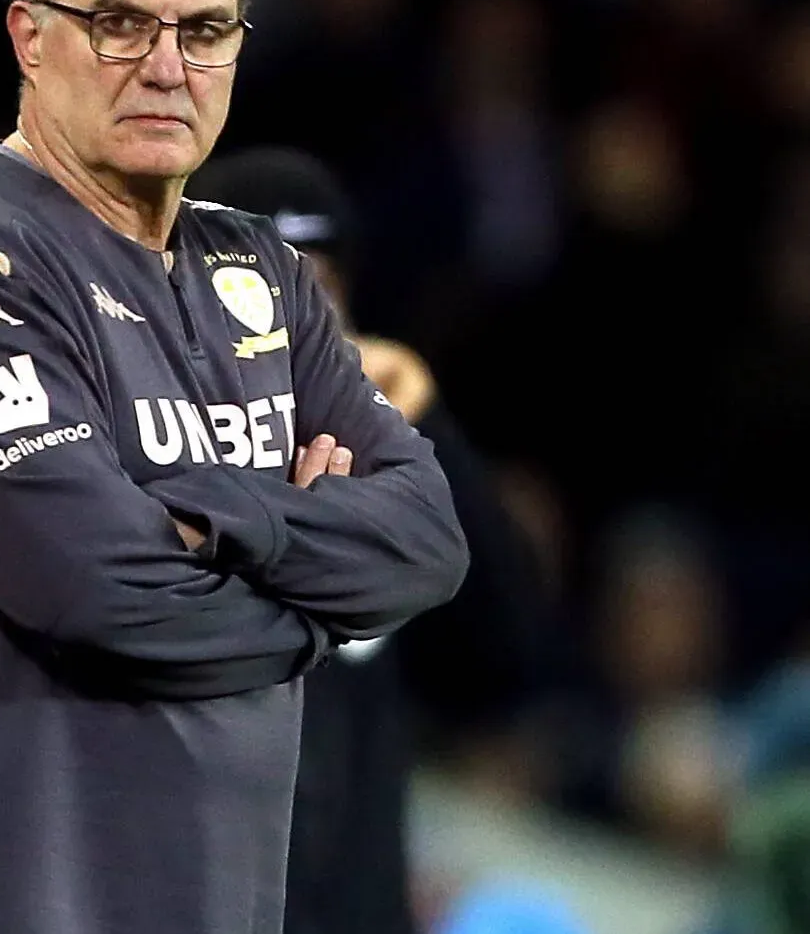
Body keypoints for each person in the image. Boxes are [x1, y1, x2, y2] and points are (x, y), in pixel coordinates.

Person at [0, 0, 470, 934]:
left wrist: (214, 518)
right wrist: (315, 605)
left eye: (202, 31)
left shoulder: (262, 272)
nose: (165, 67)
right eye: (118, 23)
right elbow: (105, 601)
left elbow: (427, 541)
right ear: (27, 37)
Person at [188, 145, 562, 934]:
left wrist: (423, 426)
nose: (286, 320)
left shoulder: (382, 487)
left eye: (316, 290)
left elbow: (505, 661)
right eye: (257, 287)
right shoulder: (136, 460)